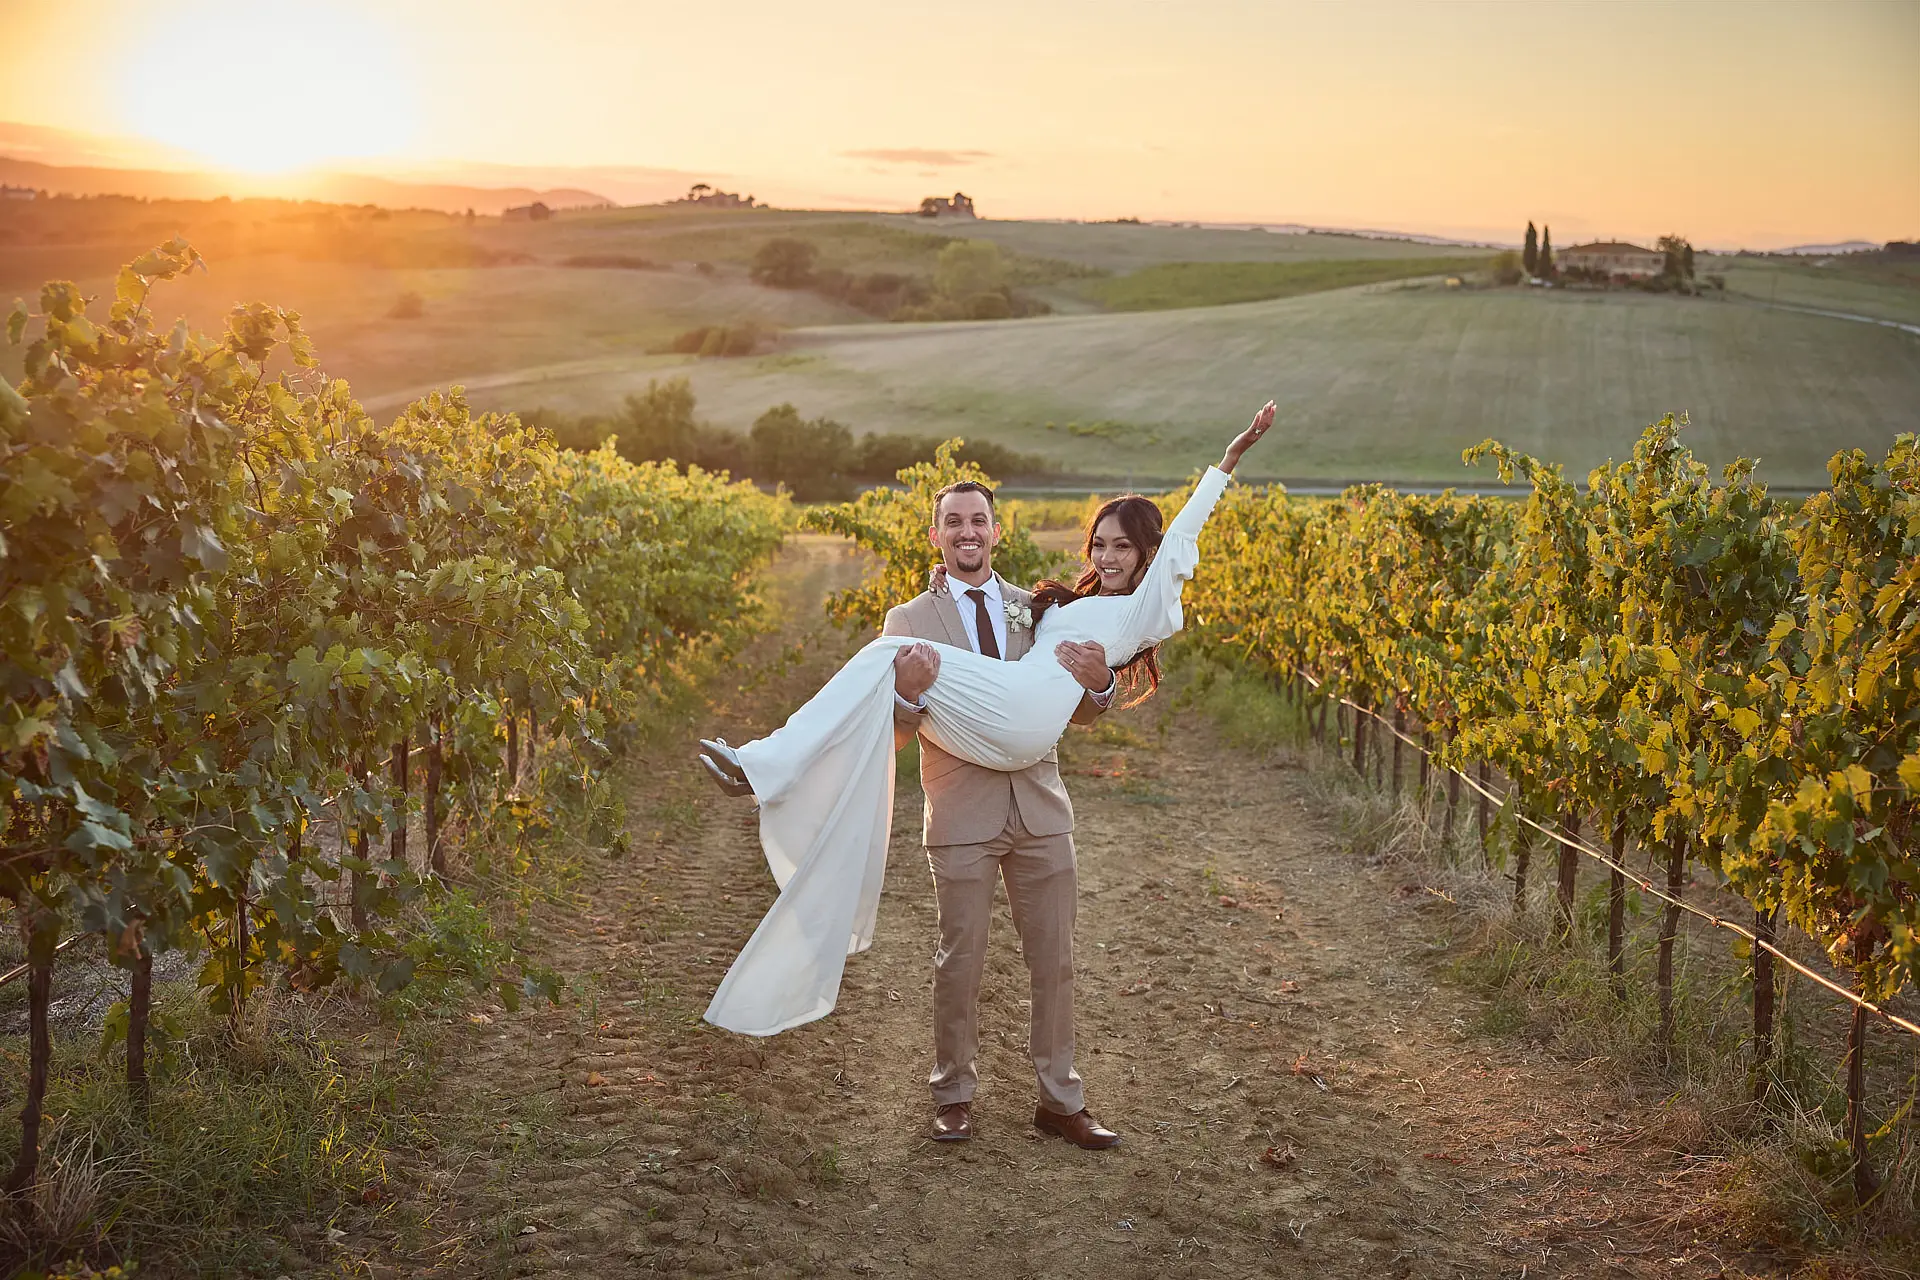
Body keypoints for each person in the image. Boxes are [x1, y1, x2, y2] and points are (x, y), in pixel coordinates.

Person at [697, 401, 1275, 1147]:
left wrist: (1104, 681)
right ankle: (953, 1094)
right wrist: (909, 691)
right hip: (964, 803)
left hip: (1034, 780)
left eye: (980, 522)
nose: (968, 533)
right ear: (937, 536)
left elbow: (1093, 695)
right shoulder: (914, 618)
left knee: (1054, 962)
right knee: (957, 959)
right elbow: (901, 732)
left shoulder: (1042, 607)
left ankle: (1060, 1101)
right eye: (954, 524)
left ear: (996, 531)